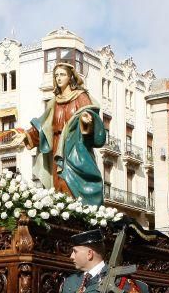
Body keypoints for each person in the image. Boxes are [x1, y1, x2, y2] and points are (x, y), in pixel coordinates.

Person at [13, 62, 107, 205]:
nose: (59, 78)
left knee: (73, 186)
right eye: (56, 75)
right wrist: (27, 135)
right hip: (57, 147)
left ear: (70, 77)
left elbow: (90, 114)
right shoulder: (54, 102)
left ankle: (84, 218)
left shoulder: (81, 96)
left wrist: (87, 120)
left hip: (75, 148)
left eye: (62, 74)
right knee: (59, 185)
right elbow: (45, 126)